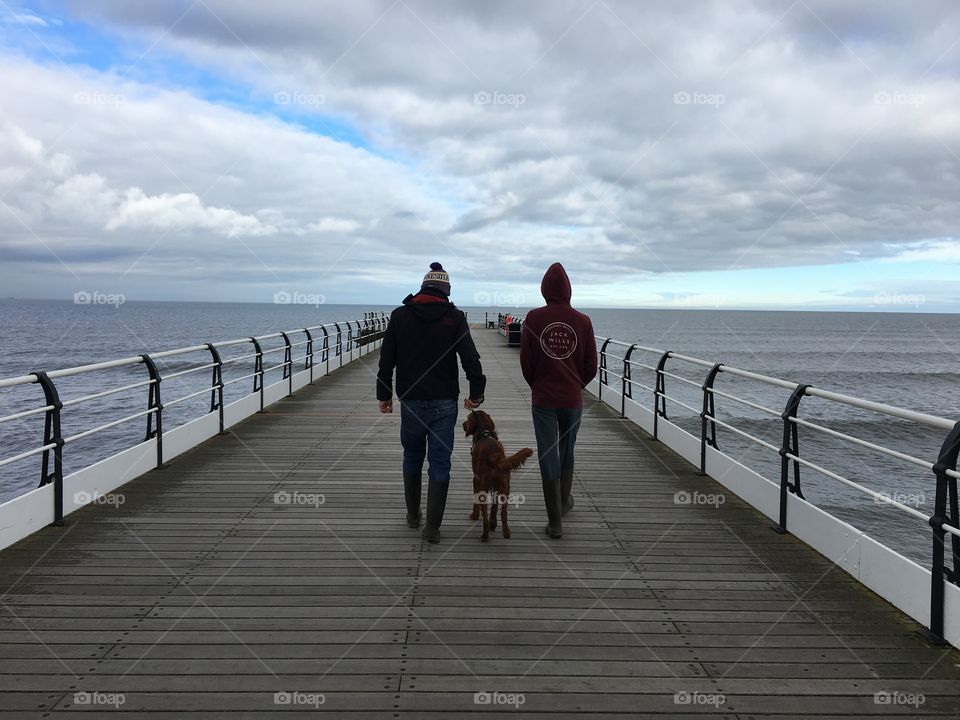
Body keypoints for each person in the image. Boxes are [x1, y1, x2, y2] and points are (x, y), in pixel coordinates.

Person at [377, 262, 486, 543]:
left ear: (423, 287)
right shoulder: (454, 317)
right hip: (444, 402)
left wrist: (384, 394)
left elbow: (387, 358)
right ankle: (433, 528)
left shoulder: (400, 316)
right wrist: (476, 393)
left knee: (412, 455)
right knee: (440, 461)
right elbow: (470, 359)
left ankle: (413, 517)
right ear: (446, 290)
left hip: (411, 400)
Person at [520, 263, 598, 539]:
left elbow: (526, 361)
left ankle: (555, 522)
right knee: (568, 448)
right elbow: (591, 364)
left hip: (544, 398)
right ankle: (564, 503)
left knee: (547, 451)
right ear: (569, 290)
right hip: (571, 398)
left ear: (544, 289)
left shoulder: (533, 317)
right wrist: (577, 385)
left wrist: (538, 385)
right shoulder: (583, 320)